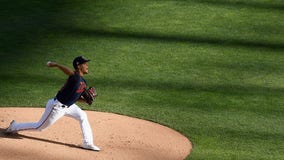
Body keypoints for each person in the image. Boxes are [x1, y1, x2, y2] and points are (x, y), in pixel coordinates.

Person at [5, 56, 100, 151]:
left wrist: (86, 100)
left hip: (68, 106)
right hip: (57, 107)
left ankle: (87, 143)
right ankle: (14, 126)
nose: (87, 65)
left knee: (82, 116)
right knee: (39, 127)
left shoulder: (83, 82)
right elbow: (69, 72)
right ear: (78, 66)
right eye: (85, 64)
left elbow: (76, 97)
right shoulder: (75, 77)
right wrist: (57, 65)